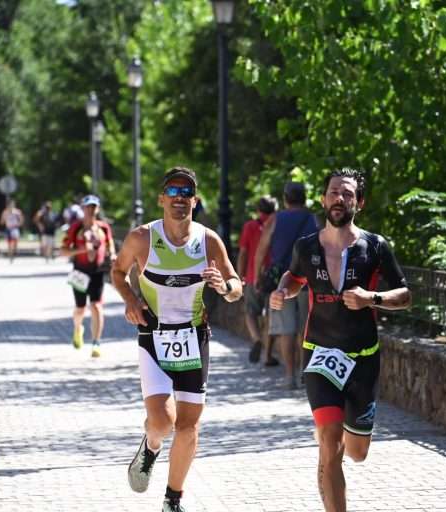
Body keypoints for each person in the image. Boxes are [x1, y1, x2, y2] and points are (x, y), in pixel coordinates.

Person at [269, 168, 411, 512]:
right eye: (333, 192)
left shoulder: (374, 247)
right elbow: (295, 276)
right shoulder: (306, 246)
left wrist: (370, 298)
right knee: (331, 444)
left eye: (347, 194)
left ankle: (330, 454)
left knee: (357, 453)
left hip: (363, 358)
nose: (339, 199)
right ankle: (329, 460)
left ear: (358, 203)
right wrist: (283, 291)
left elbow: (405, 295)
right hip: (320, 353)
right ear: (323, 199)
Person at [111, 166, 242, 512]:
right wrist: (130, 300)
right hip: (153, 336)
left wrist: (224, 286)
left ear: (195, 201)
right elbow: (117, 271)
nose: (179, 198)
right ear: (161, 199)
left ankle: (173, 499)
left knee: (188, 425)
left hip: (194, 338)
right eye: (172, 192)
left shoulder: (207, 240)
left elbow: (236, 287)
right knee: (163, 422)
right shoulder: (142, 238)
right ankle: (151, 446)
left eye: (186, 193)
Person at [254, 182, 318, 388]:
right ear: (304, 198)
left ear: (285, 199)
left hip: (283, 282)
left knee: (286, 330)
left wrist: (257, 277)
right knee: (305, 330)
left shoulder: (275, 219)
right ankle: (304, 373)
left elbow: (261, 249)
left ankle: (289, 376)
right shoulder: (314, 219)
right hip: (310, 280)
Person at [61, 194, 116, 358]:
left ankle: (96, 343)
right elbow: (63, 251)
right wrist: (82, 250)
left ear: (97, 209)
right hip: (79, 271)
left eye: (93, 207)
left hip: (97, 271)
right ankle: (78, 328)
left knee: (97, 306)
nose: (90, 211)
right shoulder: (75, 228)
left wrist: (112, 255)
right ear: (83, 209)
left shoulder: (104, 227)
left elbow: (110, 245)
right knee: (80, 309)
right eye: (87, 207)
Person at [237, 195, 278, 363]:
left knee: (250, 312)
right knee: (271, 317)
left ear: (258, 210)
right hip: (275, 278)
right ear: (275, 210)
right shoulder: (278, 225)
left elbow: (243, 253)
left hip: (253, 276)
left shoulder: (250, 226)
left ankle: (256, 339)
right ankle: (268, 356)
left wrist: (240, 276)